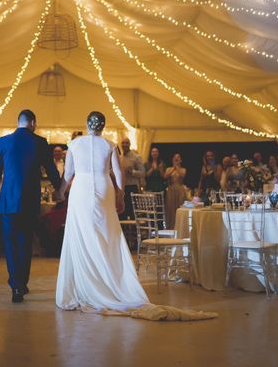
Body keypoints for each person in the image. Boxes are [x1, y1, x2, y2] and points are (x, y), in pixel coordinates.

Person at [55, 112, 216, 321]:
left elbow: (68, 174)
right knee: (106, 235)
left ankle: (87, 285)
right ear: (103, 126)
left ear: (87, 124)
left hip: (81, 188)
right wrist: (120, 194)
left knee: (81, 234)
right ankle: (109, 282)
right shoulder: (109, 144)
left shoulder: (74, 144)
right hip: (104, 187)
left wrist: (60, 192)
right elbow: (119, 173)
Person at [0, 110, 61, 303]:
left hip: (7, 201)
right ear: (33, 123)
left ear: (18, 122)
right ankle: (22, 284)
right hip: (29, 200)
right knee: (25, 243)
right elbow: (52, 171)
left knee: (10, 245)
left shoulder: (2, 142)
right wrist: (61, 189)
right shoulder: (40, 142)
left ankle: (15, 286)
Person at [120, 138, 144, 220]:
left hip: (132, 187)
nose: (124, 145)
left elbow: (142, 173)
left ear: (129, 144)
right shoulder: (119, 157)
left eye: (126, 143)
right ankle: (123, 232)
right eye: (123, 143)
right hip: (122, 188)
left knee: (133, 213)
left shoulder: (136, 157)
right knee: (122, 212)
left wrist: (132, 172)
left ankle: (134, 232)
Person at [164, 153, 187, 229]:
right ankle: (170, 226)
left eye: (178, 157)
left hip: (180, 190)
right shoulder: (169, 169)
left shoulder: (183, 169)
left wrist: (177, 167)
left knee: (179, 207)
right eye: (175, 157)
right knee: (170, 208)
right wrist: (173, 168)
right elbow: (165, 176)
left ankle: (180, 227)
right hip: (171, 190)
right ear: (172, 159)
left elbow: (182, 175)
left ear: (180, 160)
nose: (176, 159)